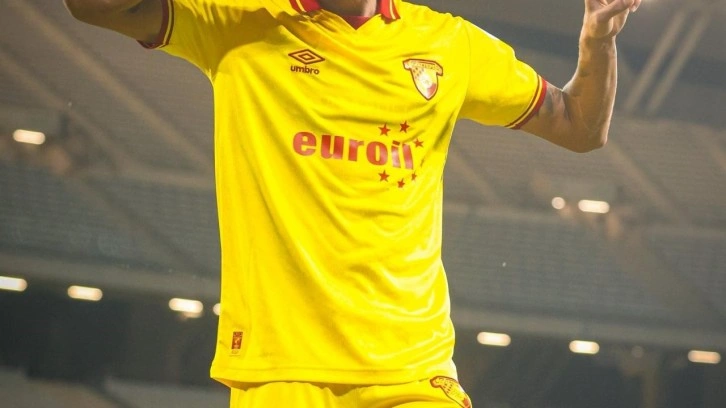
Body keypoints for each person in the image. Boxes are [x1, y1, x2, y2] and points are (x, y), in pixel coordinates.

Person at [64, 0, 641, 406]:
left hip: (413, 371)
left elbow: (580, 126)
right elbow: (93, 6)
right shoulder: (237, 19)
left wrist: (598, 40)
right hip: (283, 374)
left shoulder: (451, 44)